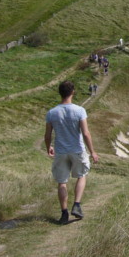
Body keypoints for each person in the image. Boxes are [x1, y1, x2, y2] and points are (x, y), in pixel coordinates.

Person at [44, 80, 98, 224]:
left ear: (60, 93)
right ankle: (77, 205)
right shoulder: (80, 111)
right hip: (77, 149)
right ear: (72, 92)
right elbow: (86, 133)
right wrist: (92, 151)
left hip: (61, 151)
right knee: (81, 175)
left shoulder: (52, 113)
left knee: (62, 182)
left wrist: (48, 147)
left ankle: (64, 213)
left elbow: (47, 135)